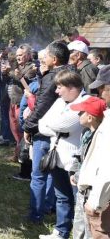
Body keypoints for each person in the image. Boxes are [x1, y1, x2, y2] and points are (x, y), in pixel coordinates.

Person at [24, 41, 71, 224]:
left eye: (47, 56)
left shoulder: (52, 77)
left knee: (38, 175)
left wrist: (28, 127)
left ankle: (35, 215)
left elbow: (41, 105)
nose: (44, 59)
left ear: (54, 59)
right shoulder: (70, 74)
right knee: (54, 173)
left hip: (45, 130)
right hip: (63, 132)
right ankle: (49, 206)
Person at [38, 70, 87, 239]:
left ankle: (81, 235)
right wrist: (55, 128)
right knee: (61, 198)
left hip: (75, 161)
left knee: (79, 201)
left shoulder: (85, 101)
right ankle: (60, 232)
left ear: (71, 87)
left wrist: (54, 126)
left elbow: (65, 125)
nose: (57, 91)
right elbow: (41, 125)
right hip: (57, 158)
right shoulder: (60, 102)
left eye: (59, 87)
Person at [74, 66, 110, 238]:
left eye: (103, 88)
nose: (100, 93)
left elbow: (107, 167)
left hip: (101, 199)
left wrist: (96, 200)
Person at [69, 95, 107, 239]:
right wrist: (74, 171)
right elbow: (80, 156)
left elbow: (94, 164)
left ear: (90, 117)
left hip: (92, 191)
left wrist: (79, 175)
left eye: (81, 112)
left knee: (90, 228)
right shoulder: (85, 133)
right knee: (79, 225)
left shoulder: (101, 137)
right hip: (81, 189)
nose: (78, 114)